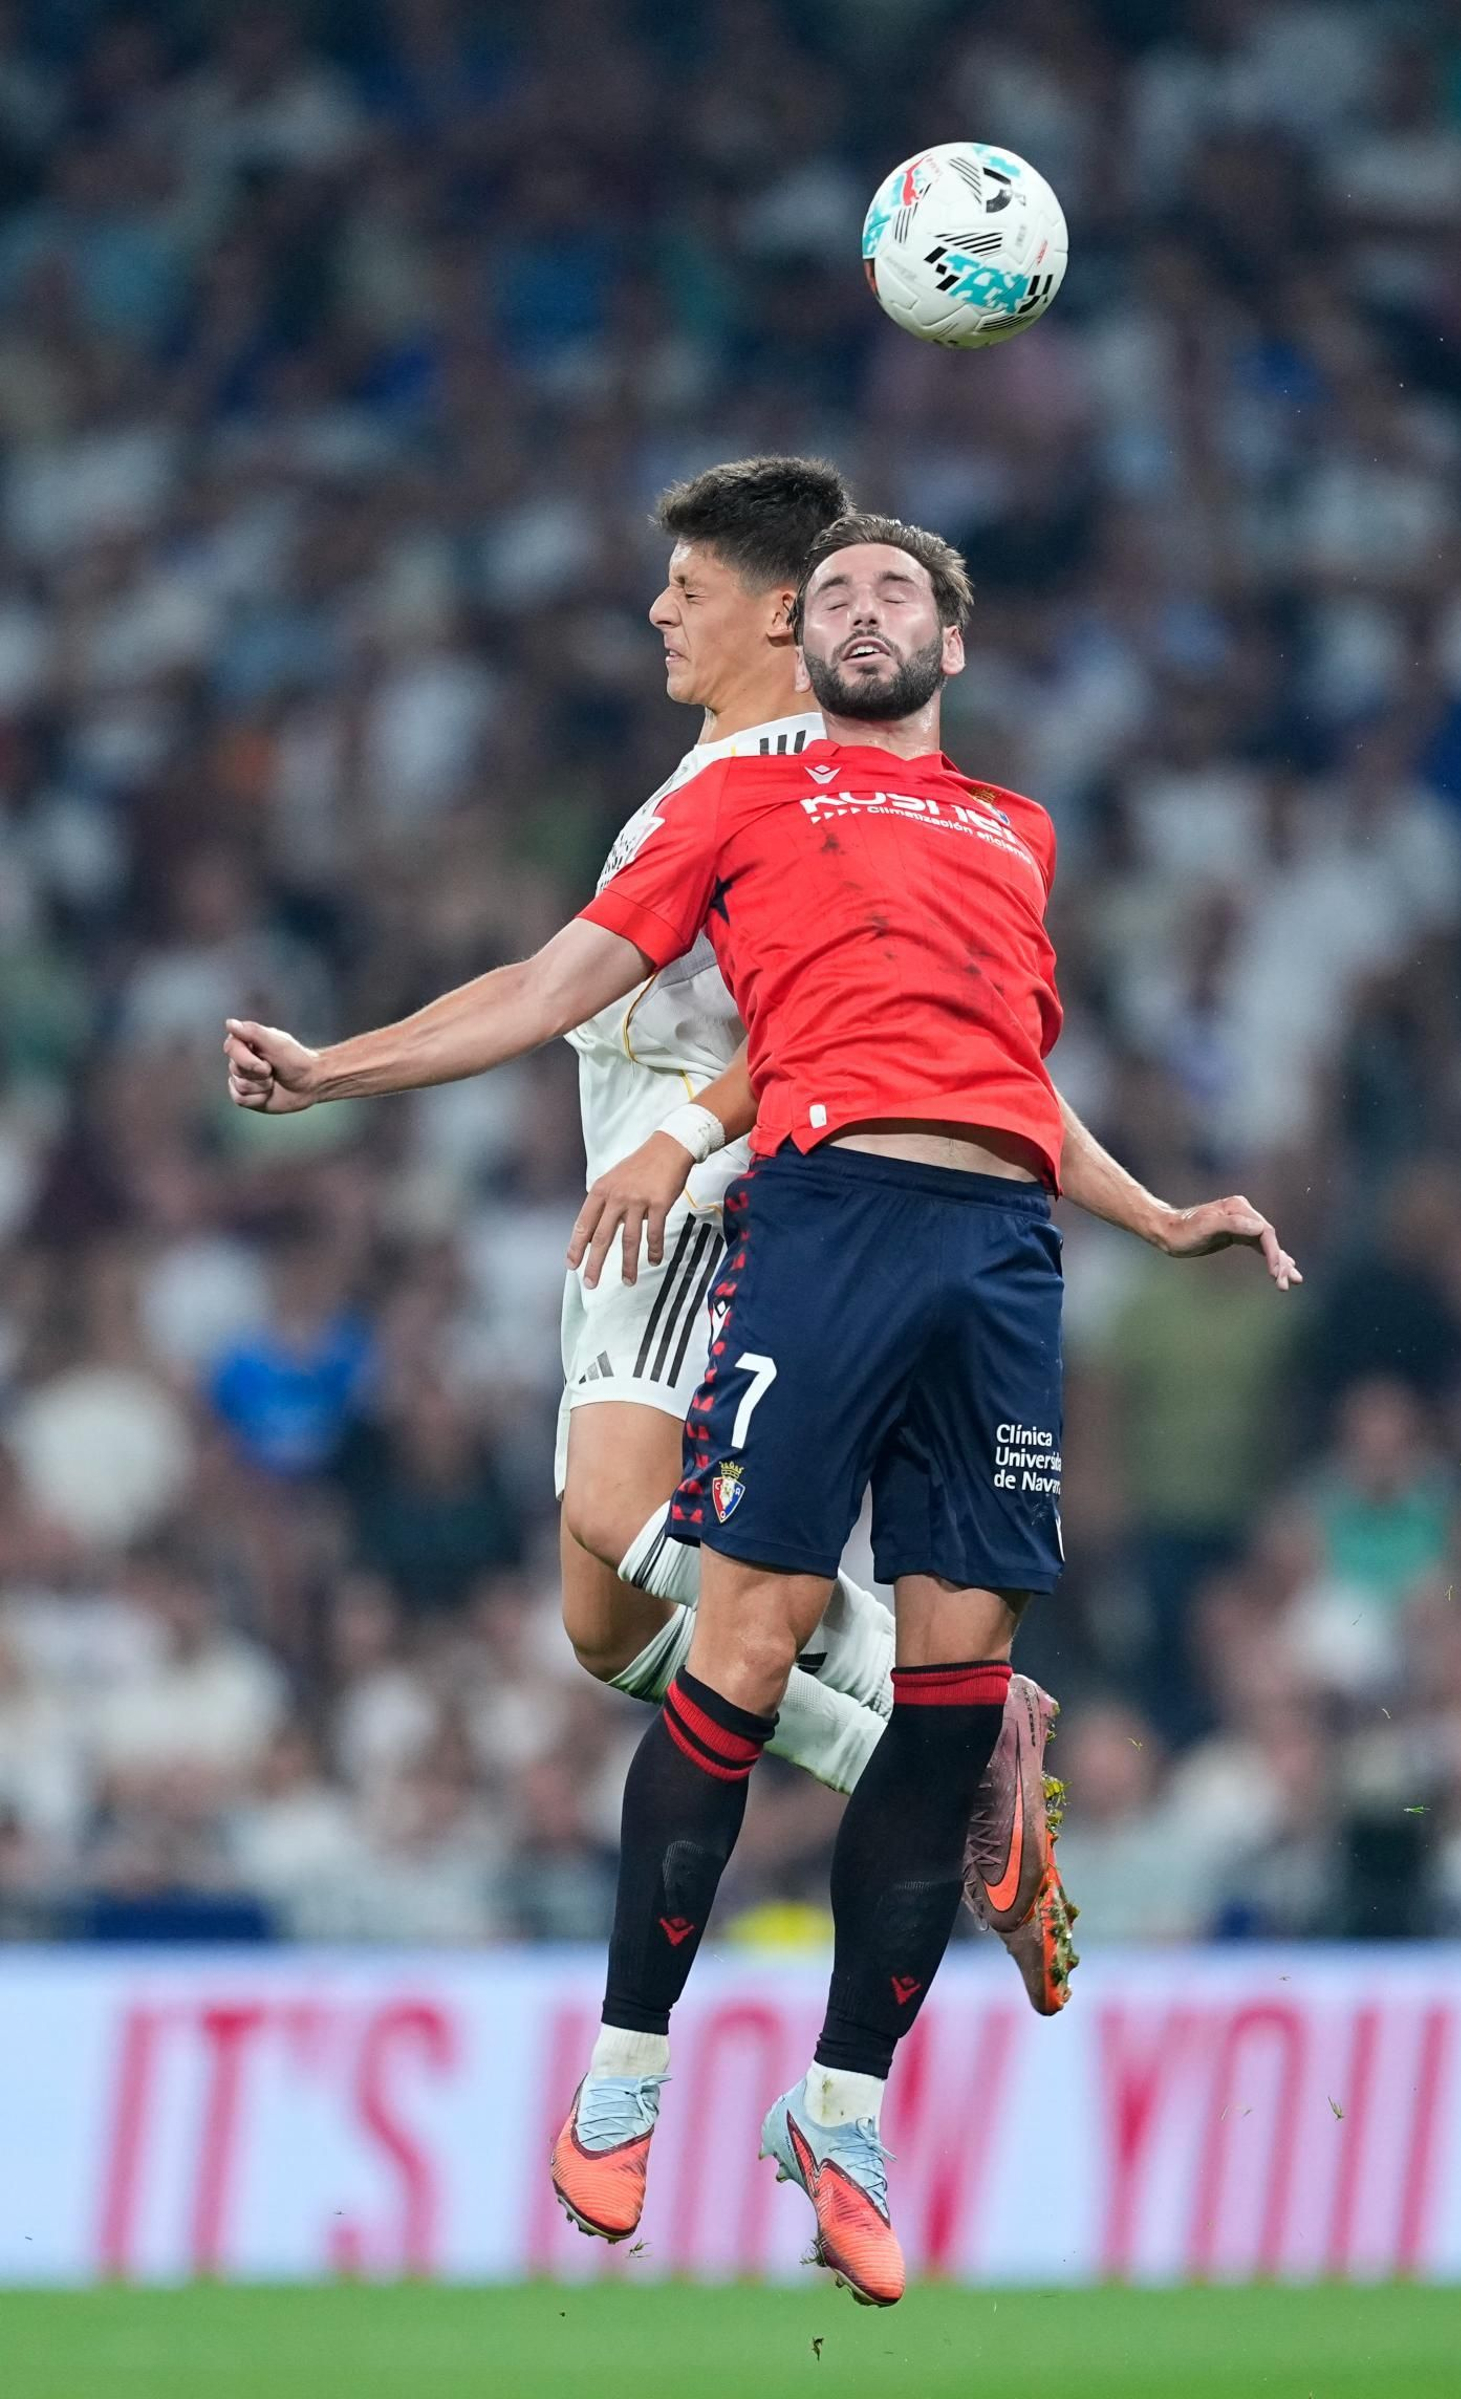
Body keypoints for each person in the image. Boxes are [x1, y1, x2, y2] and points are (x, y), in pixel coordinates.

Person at [225, 512, 1299, 2306]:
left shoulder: (1017, 831)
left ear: (951, 648)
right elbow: (563, 983)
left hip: (1003, 1254)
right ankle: (625, 2078)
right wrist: (344, 1067)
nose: (869, 614)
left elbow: (1016, 1077)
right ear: (809, 638)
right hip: (826, 1223)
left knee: (941, 1692)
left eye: (905, 595)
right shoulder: (740, 799)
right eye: (846, 592)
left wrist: (1161, 1212)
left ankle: (845, 2113)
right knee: (706, 1630)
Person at [221, 460, 1074, 2025]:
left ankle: (947, 1727)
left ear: (772, 611)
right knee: (610, 1629)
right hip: (631, 1208)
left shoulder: (815, 790)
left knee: (643, 1528)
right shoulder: (704, 787)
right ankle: (946, 1732)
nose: (656, 610)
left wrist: (342, 1070)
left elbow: (637, 999)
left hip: (732, 1212)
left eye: (685, 589)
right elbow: (562, 984)